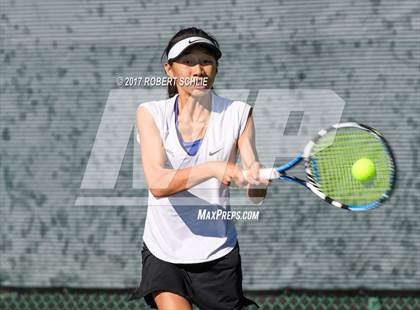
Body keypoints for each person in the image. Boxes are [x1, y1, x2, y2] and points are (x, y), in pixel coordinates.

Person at [128, 27, 271, 310]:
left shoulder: (238, 113)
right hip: (164, 252)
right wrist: (215, 168)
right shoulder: (151, 113)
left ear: (215, 68)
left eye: (206, 61)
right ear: (170, 70)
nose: (199, 69)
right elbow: (158, 183)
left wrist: (256, 181)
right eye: (189, 62)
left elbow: (255, 195)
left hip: (218, 253)